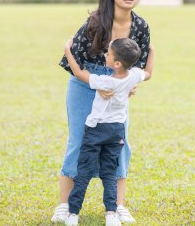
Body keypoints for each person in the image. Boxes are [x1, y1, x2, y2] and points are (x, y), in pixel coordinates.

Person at [51, 0, 153, 224]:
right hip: (85, 84)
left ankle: (118, 206)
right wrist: (97, 84)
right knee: (78, 140)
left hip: (115, 88)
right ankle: (64, 205)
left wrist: (126, 86)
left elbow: (138, 65)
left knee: (120, 143)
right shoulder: (95, 23)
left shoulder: (140, 26)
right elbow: (72, 60)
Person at [63, 37, 153, 226]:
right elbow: (148, 73)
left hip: (96, 130)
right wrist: (151, 50)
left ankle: (72, 214)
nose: (105, 55)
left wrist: (68, 50)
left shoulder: (105, 81)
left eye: (108, 54)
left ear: (117, 63)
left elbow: (79, 73)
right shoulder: (134, 75)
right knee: (110, 173)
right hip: (116, 130)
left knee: (84, 172)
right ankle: (111, 214)